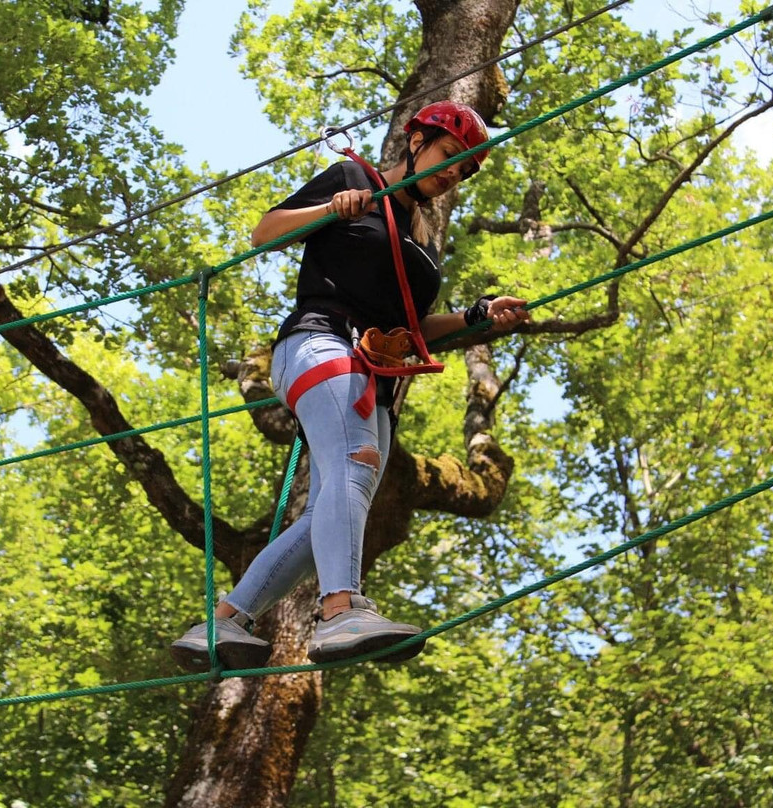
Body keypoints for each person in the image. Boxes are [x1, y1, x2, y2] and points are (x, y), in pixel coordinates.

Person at [171, 101, 530, 672]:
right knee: (355, 469)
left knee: (330, 510)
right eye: (448, 155)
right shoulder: (354, 179)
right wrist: (329, 211)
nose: (451, 172)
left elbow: (414, 333)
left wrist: (478, 317)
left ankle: (223, 623)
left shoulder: (422, 244)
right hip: (320, 341)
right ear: (417, 141)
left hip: (372, 376)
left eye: (463, 170)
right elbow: (264, 232)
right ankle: (340, 610)